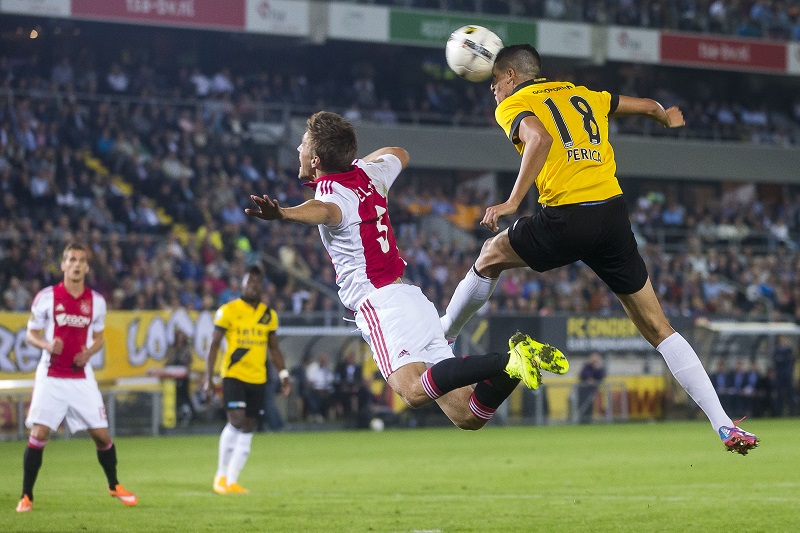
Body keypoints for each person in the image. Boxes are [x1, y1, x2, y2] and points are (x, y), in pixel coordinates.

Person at [438, 44, 758, 455]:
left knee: (488, 257)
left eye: (495, 83)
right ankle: (724, 425)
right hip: (611, 215)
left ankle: (443, 336)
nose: (494, 93)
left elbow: (538, 137)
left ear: (512, 77)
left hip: (568, 217)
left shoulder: (515, 103)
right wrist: (663, 114)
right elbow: (643, 105)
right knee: (660, 329)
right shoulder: (584, 93)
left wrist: (513, 202)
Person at [245, 110, 568, 432]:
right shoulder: (370, 175)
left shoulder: (331, 195)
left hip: (381, 305)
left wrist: (284, 213)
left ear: (315, 159)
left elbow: (325, 211)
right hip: (411, 299)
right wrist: (355, 164)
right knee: (469, 416)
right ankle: (513, 367)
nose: (299, 150)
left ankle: (510, 359)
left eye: (303, 144)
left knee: (412, 393)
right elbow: (399, 153)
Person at [17, 242, 137, 513]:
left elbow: (98, 338)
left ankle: (114, 484)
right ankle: (26, 495)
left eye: (82, 260)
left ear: (87, 267)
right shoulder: (46, 297)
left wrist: (88, 353)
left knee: (102, 436)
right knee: (39, 433)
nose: (76, 264)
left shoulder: (96, 302)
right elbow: (30, 334)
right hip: (51, 375)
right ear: (63, 265)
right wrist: (47, 345)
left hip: (81, 377)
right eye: (71, 259)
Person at [203, 265, 291, 494]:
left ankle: (232, 480)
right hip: (233, 376)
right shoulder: (228, 311)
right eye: (248, 281)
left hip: (258, 378)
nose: (252, 286)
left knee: (249, 426)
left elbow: (274, 348)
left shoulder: (268, 315)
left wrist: (283, 374)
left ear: (262, 287)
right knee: (236, 420)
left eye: (256, 283)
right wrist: (208, 378)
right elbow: (213, 346)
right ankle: (220, 476)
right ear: (241, 284)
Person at [577, 352, 606, 423]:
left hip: (592, 390)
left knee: (590, 406)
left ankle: (588, 419)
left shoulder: (599, 368)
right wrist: (589, 379)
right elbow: (583, 374)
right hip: (583, 390)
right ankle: (582, 420)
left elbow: (602, 376)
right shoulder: (586, 366)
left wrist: (597, 369)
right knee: (583, 406)